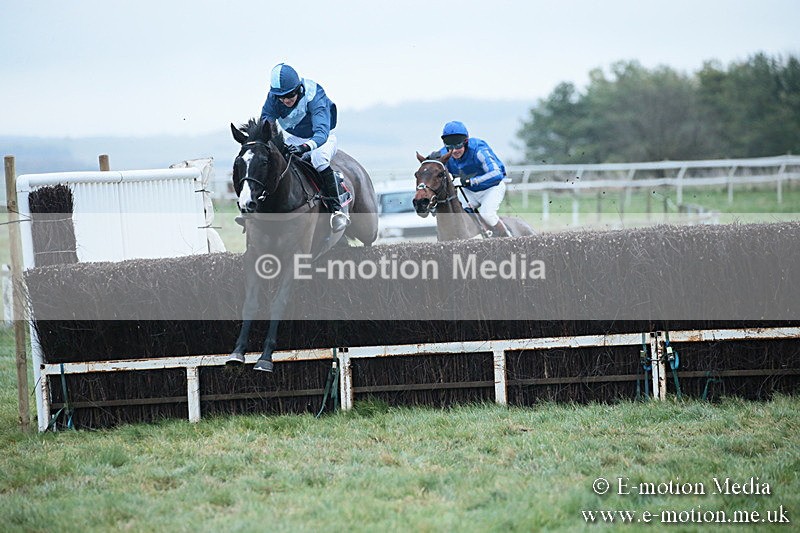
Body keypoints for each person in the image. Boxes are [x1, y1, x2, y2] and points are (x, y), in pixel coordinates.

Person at [260, 63, 349, 231]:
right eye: (281, 97)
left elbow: (321, 132)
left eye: (290, 95)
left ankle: (337, 210)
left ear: (299, 88)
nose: (286, 100)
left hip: (323, 137)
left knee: (319, 159)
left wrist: (304, 147)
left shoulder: (314, 94)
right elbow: (266, 122)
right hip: (295, 137)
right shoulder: (273, 98)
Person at [438, 121, 510, 237]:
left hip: (491, 188)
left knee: (487, 215)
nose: (455, 151)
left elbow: (497, 173)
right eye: (450, 147)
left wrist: (469, 181)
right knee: (460, 215)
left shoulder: (478, 149)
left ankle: (509, 240)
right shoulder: (442, 154)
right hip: (469, 191)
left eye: (458, 146)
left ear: (465, 142)